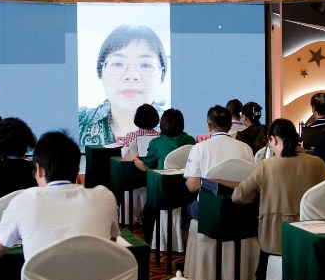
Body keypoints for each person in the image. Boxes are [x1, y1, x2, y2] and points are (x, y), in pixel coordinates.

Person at [229, 119, 325, 280]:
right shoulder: (317, 163)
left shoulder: (267, 166)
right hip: (311, 234)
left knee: (270, 232)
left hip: (277, 238)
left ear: (274, 140)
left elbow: (239, 195)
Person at [0, 131, 119, 262]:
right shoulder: (105, 197)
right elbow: (110, 244)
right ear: (77, 170)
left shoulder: (22, 201)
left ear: (39, 169)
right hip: (96, 279)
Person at [78, 25, 168, 147]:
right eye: (117, 64)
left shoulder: (178, 124)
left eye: (146, 65)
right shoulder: (78, 120)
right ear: (101, 71)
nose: (131, 76)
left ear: (162, 73)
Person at [181, 105, 255, 241]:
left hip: (209, 208)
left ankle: (190, 254)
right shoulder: (245, 148)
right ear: (231, 125)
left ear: (209, 126)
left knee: (186, 212)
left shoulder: (199, 148)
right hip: (240, 207)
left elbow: (193, 186)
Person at [133, 108, 197, 239]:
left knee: (147, 213)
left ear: (162, 124)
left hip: (164, 192)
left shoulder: (156, 143)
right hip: (187, 191)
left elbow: (146, 167)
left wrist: (134, 159)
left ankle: (150, 240)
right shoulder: (190, 140)